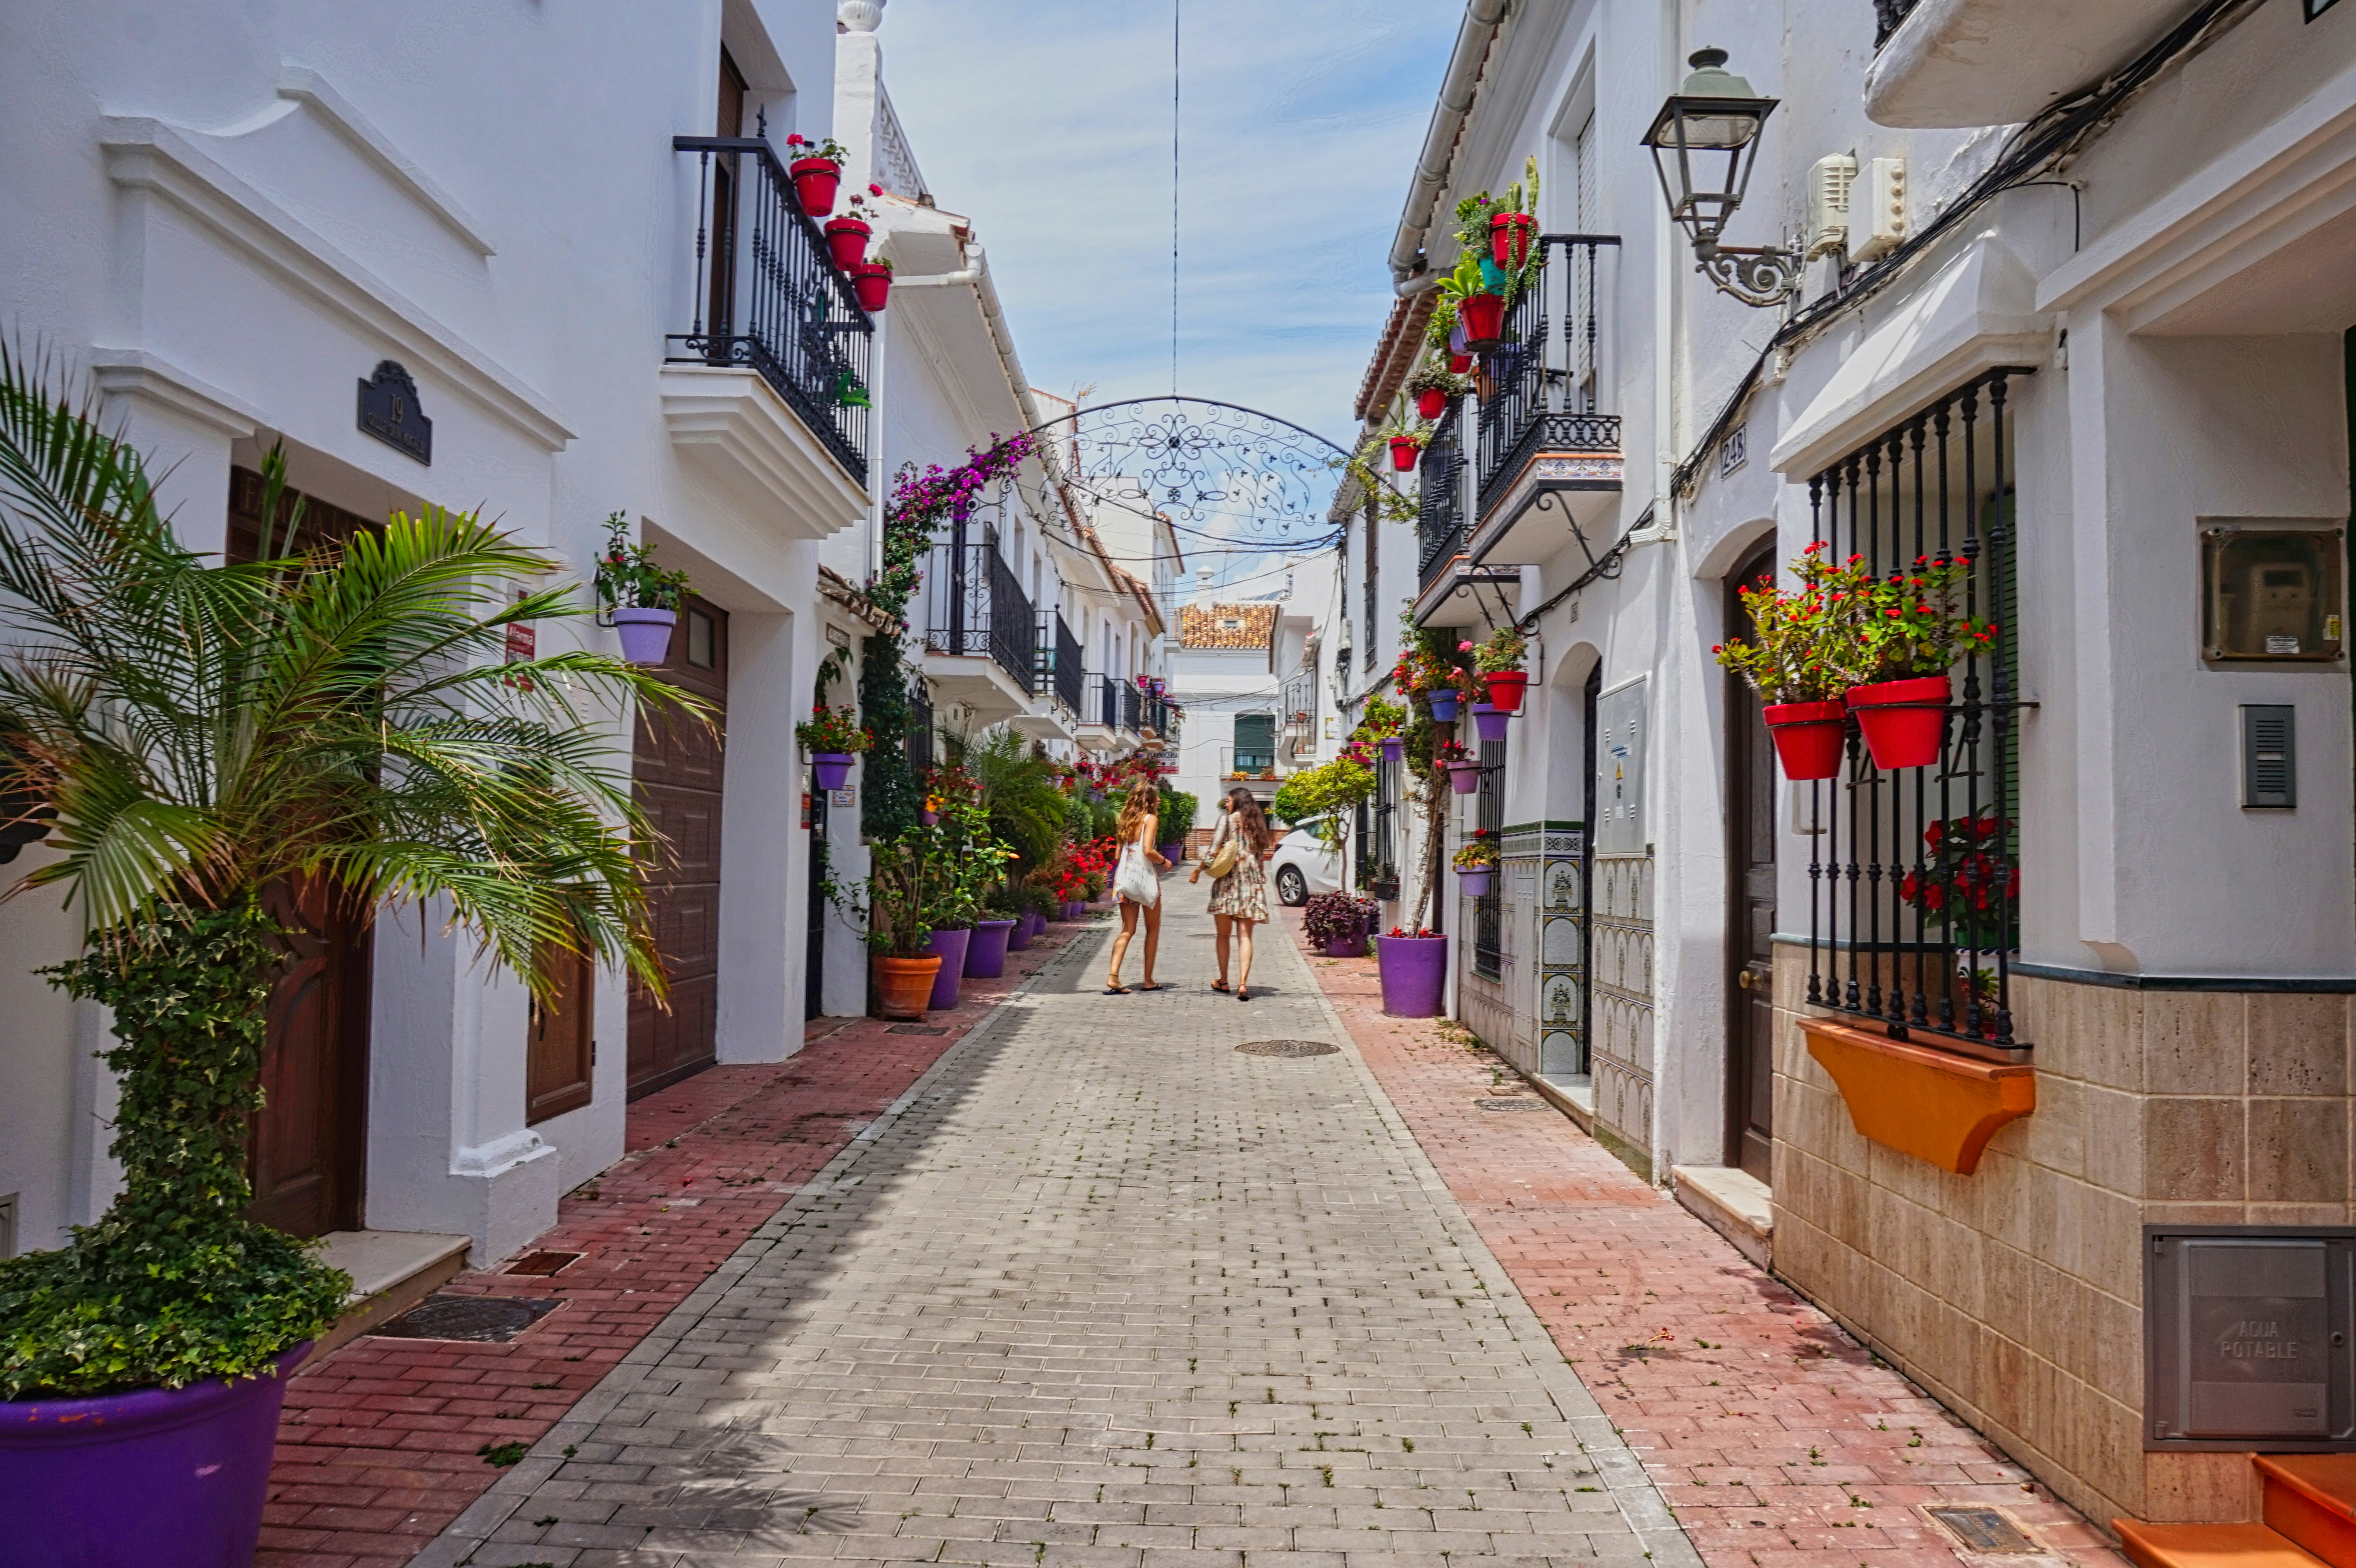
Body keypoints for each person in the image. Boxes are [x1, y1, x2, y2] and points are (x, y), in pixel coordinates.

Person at [1192, 786, 1274, 1000]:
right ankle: (1243, 984)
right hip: (1250, 881)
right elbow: (1259, 856)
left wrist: (1198, 870)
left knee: (1223, 935)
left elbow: (1214, 850)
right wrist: (1260, 878)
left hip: (1228, 881)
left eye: (1228, 801)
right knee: (1245, 936)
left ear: (1236, 801)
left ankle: (1224, 980)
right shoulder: (1256, 823)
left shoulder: (1227, 821)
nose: (1226, 804)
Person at [1103, 776, 1170, 994]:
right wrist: (1164, 860)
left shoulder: (1124, 820)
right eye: (1157, 797)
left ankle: (1113, 976)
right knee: (1153, 929)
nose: (1159, 800)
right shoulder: (1150, 819)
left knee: (1127, 929)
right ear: (1150, 800)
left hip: (1125, 881)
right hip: (1146, 881)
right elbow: (1148, 851)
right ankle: (1148, 980)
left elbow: (1117, 854)